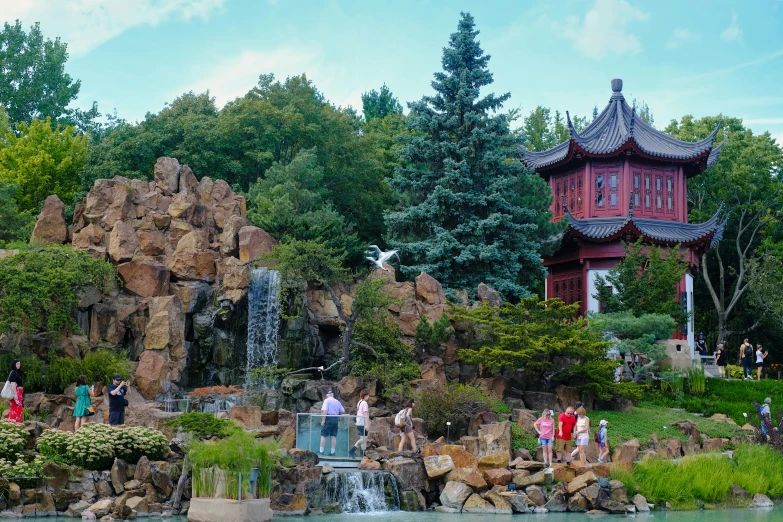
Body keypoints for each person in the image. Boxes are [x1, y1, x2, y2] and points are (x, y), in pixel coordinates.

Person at [319, 390, 345, 456]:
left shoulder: (327, 400)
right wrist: (337, 414)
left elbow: (325, 411)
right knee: (333, 436)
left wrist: (323, 420)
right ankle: (332, 452)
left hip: (328, 418)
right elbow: (342, 411)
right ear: (333, 395)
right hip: (335, 419)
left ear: (327, 395)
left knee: (323, 435)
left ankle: (321, 452)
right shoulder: (337, 401)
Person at [349, 390, 370, 459]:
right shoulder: (364, 403)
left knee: (363, 438)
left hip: (358, 422)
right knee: (363, 439)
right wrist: (367, 425)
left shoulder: (359, 402)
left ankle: (363, 454)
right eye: (367, 395)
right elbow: (365, 414)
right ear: (365, 396)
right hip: (362, 423)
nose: (368, 397)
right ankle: (352, 450)